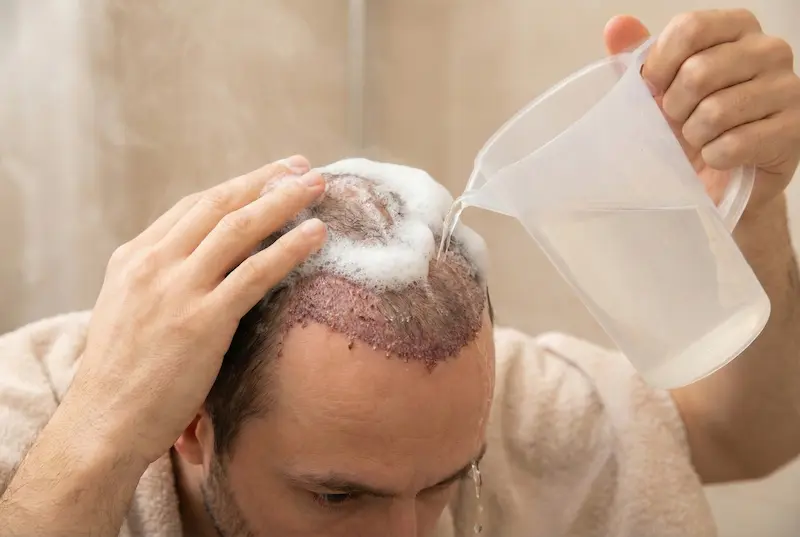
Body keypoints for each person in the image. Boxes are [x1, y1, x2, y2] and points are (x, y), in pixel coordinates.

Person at [1, 9, 799, 537]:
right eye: (338, 497)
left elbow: (742, 434)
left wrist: (752, 205)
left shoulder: (471, 405)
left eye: (447, 482)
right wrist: (99, 435)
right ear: (189, 425)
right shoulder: (38, 420)